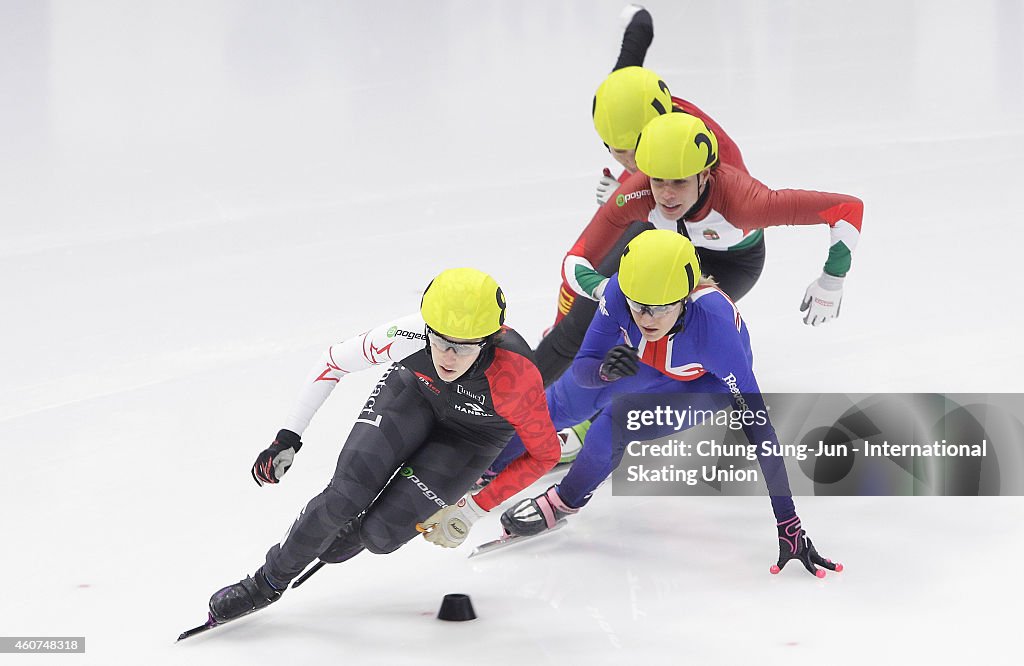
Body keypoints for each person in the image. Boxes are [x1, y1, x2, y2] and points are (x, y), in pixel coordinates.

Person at [204, 268, 562, 625]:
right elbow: (332, 362)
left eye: (464, 347)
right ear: (427, 327)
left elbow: (545, 454)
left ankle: (360, 530)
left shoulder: (516, 379)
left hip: (472, 436)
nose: (448, 357)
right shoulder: (407, 334)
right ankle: (264, 583)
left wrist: (471, 509)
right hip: (415, 395)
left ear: (490, 339)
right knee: (343, 497)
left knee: (380, 536)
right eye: (439, 341)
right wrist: (287, 437)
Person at [495, 230, 842, 577]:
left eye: (660, 307)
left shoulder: (715, 331)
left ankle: (563, 501)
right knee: (563, 400)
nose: (646, 318)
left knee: (613, 424)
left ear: (685, 297)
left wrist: (788, 521)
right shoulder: (620, 292)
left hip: (705, 382)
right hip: (647, 360)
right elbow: (585, 364)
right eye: (638, 306)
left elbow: (759, 427)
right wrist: (603, 372)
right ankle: (490, 461)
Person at [537, 110, 864, 390]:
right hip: (662, 242)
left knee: (653, 336)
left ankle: (584, 422)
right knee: (581, 320)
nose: (666, 195)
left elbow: (847, 209)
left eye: (680, 182)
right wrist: (603, 287)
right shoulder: (637, 194)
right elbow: (576, 260)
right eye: (658, 180)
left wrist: (833, 277)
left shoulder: (747, 204)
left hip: (730, 263)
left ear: (705, 175)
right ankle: (507, 411)